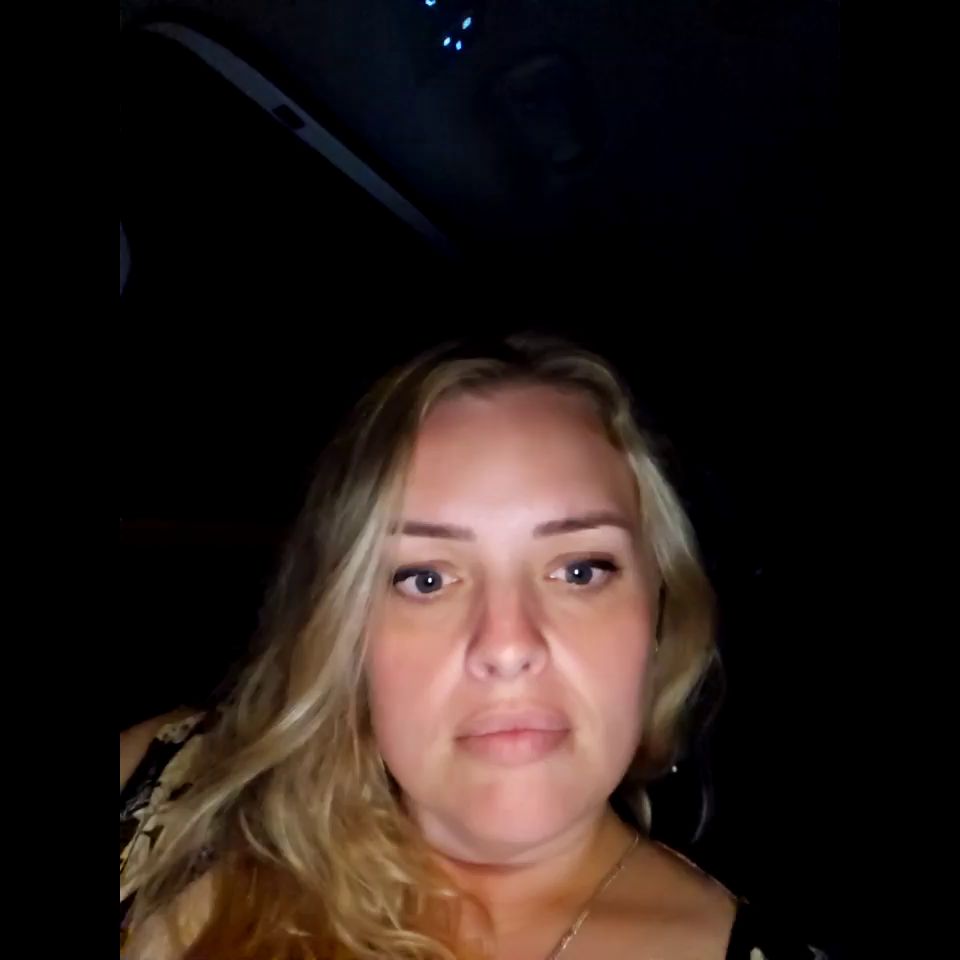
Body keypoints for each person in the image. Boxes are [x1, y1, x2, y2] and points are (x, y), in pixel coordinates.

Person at [120, 333, 827, 959]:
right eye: (425, 579)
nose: (508, 646)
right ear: (344, 627)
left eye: (580, 571)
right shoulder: (163, 794)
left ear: (660, 609)